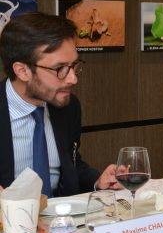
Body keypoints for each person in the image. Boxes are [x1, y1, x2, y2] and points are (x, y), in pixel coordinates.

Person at [0, 12, 121, 196]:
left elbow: (68, 164)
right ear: (23, 71)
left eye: (74, 66)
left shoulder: (68, 107)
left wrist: (98, 182)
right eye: (60, 69)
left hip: (60, 219)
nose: (73, 79)